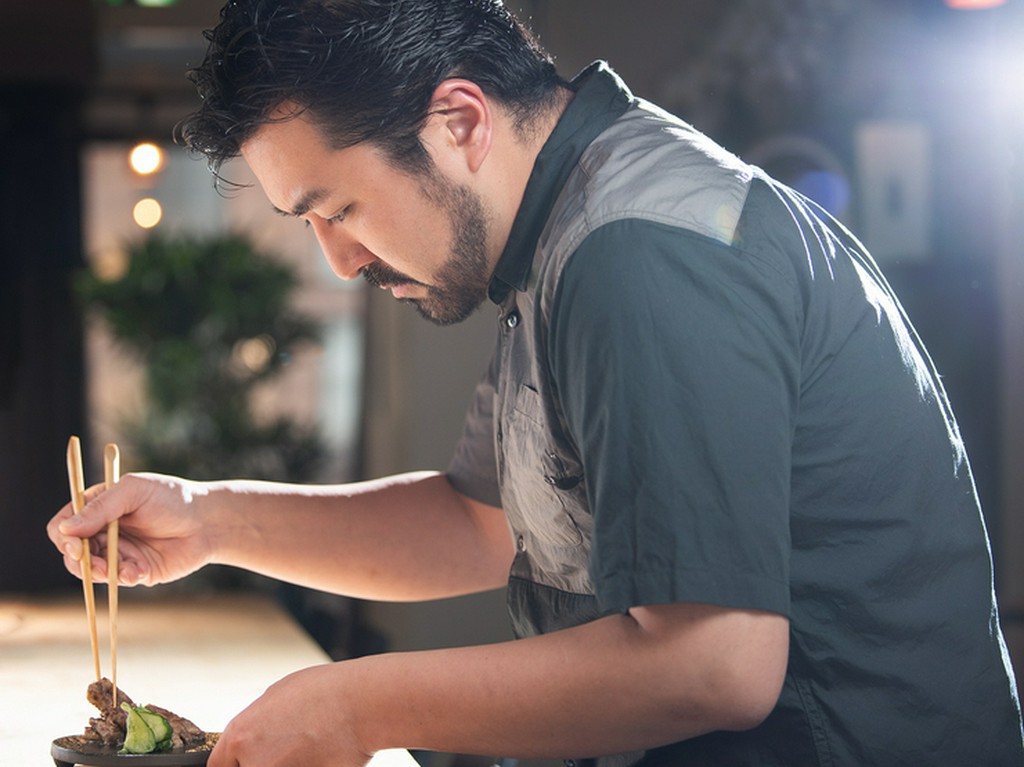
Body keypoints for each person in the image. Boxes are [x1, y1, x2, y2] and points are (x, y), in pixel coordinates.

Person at [49, 1, 1023, 765]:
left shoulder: (638, 252)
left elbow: (714, 665)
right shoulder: (564, 237)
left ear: (459, 120)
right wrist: (209, 518)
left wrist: (356, 702)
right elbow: (482, 521)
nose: (340, 260)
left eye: (338, 207)